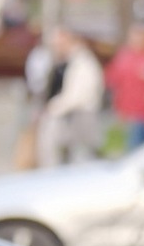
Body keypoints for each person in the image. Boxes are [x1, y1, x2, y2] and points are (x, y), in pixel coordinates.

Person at [35, 26, 104, 168]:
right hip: (72, 117)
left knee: (81, 161)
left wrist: (53, 107)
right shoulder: (69, 62)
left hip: (81, 118)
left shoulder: (83, 63)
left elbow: (76, 96)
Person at [104, 22, 144, 151]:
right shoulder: (124, 55)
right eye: (133, 36)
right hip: (127, 110)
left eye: (140, 36)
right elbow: (113, 79)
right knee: (131, 147)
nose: (136, 40)